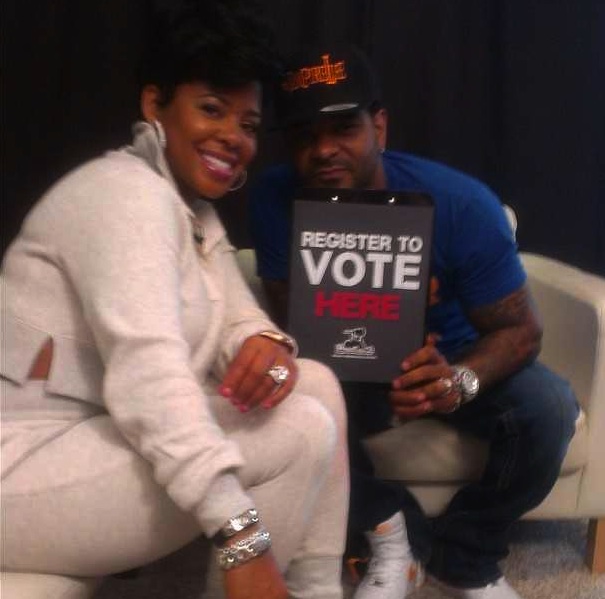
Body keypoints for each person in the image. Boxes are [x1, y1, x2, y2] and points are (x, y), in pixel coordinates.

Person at [0, 5, 349, 599]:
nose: (232, 137)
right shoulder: (125, 196)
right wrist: (242, 538)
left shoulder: (194, 214)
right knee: (297, 431)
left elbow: (237, 313)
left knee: (313, 383)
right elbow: (149, 379)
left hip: (88, 437)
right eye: (211, 109)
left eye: (248, 123)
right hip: (20, 461)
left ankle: (314, 589)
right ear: (154, 105)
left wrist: (263, 343)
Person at [248, 44, 580, 599]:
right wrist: (370, 306)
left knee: (550, 408)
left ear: (379, 126)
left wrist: (458, 381)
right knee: (289, 400)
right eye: (304, 136)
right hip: (344, 363)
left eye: (343, 128)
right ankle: (392, 533)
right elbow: (289, 316)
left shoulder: (461, 204)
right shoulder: (274, 198)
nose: (323, 149)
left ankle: (466, 558)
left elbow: (524, 331)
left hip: (454, 357)